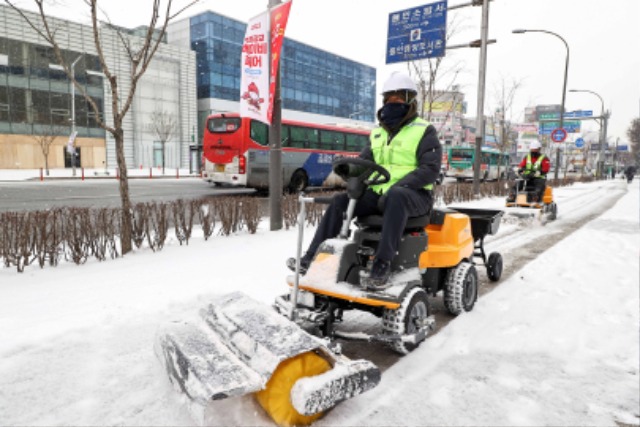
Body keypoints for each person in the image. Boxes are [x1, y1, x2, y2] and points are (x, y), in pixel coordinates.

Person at [286, 71, 442, 290]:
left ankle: (382, 264)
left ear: (410, 101)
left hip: (414, 195)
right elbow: (365, 163)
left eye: (398, 99)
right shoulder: (377, 133)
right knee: (341, 200)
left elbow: (430, 169)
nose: (392, 103)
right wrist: (347, 168)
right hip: (381, 194)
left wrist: (399, 185)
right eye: (389, 99)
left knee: (396, 196)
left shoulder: (424, 130)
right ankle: (312, 257)